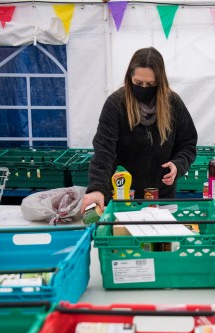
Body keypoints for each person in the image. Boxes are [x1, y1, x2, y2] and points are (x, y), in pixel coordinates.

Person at [81, 47, 198, 213]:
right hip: (122, 198)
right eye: (138, 83)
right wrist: (97, 188)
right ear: (129, 78)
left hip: (161, 199)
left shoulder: (173, 103)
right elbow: (104, 151)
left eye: (151, 84)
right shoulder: (115, 105)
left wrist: (178, 164)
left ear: (161, 81)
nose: (144, 88)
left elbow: (188, 143)